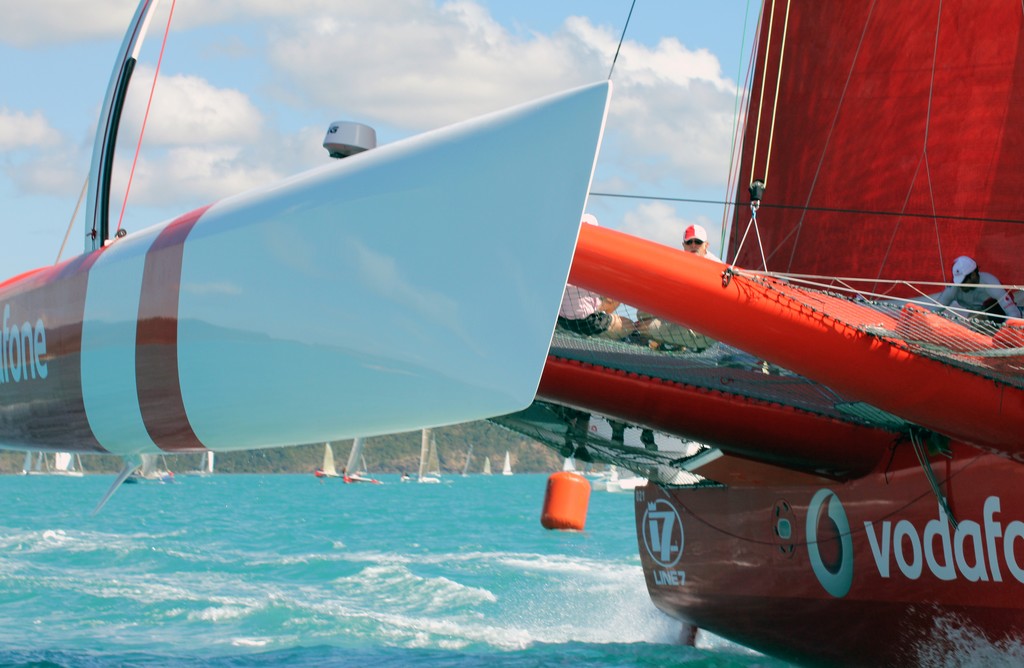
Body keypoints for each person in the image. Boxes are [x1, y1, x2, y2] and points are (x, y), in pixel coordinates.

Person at [634, 223, 720, 352]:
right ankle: (665, 343)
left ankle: (662, 342)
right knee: (644, 310)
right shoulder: (679, 264)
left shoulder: (716, 269)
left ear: (706, 246)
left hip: (704, 331)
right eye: (689, 242)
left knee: (642, 328)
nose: (693, 245)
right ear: (683, 246)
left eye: (698, 242)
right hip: (684, 320)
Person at [556, 214, 635, 340]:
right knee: (629, 325)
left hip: (560, 318)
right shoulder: (593, 262)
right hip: (586, 322)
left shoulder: (559, 254)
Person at [927, 255, 1021, 321]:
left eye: (963, 281)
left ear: (973, 275)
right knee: (974, 319)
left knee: (977, 317)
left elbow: (1014, 314)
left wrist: (1006, 332)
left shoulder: (991, 283)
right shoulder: (954, 288)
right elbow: (934, 310)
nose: (960, 285)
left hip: (999, 314)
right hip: (978, 314)